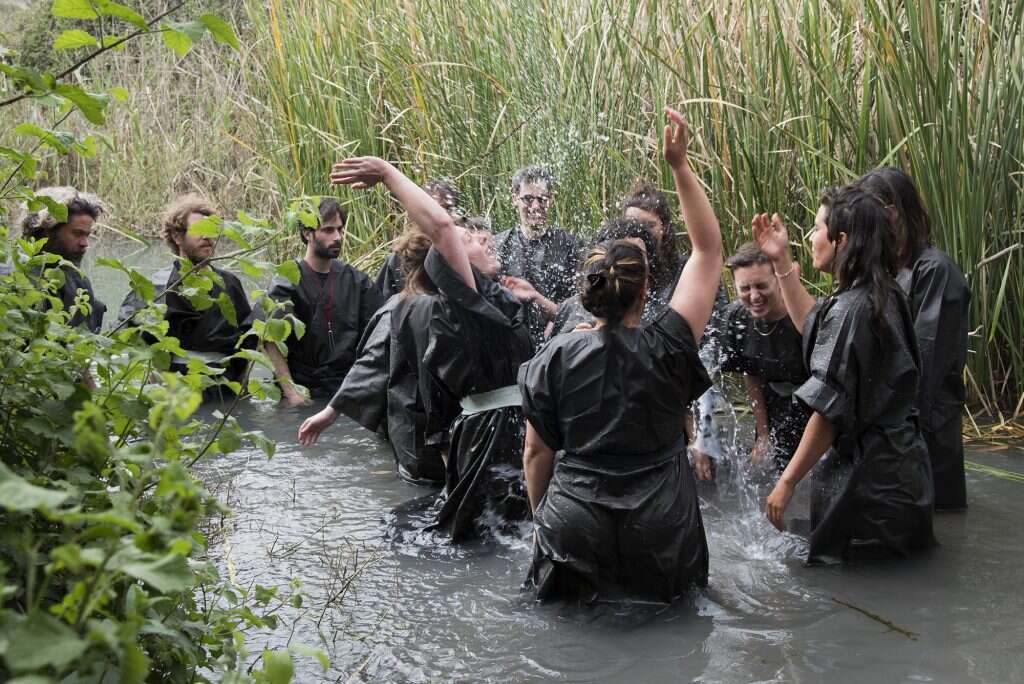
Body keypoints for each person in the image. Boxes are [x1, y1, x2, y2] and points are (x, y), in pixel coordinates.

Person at [518, 108, 721, 603]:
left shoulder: (556, 356)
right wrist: (679, 166)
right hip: (661, 522)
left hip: (575, 517)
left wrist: (547, 517)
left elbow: (535, 453)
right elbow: (708, 251)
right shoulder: (671, 343)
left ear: (586, 291)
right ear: (647, 288)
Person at [307, 157, 534, 541]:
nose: (478, 238)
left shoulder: (493, 298)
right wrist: (386, 173)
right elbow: (442, 226)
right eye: (468, 240)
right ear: (446, 267)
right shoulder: (465, 304)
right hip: (492, 435)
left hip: (494, 433)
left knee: (489, 529)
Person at [754, 185, 936, 564]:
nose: (811, 237)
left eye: (817, 229)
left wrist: (786, 484)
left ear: (842, 240)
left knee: (852, 583)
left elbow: (829, 411)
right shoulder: (882, 294)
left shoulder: (853, 309)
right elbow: (818, 329)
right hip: (901, 477)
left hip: (870, 487)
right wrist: (781, 260)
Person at [299, 218, 498, 486]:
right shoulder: (406, 307)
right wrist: (331, 411)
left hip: (461, 441)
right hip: (423, 442)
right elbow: (371, 364)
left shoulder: (472, 299)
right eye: (467, 240)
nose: (482, 240)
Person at [857, 167, 969, 511]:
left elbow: (924, 364)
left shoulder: (936, 271)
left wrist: (896, 439)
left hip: (926, 436)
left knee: (936, 524)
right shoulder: (889, 272)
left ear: (891, 213)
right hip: (898, 436)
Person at [118, 194, 255, 394]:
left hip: (225, 387)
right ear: (177, 237)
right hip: (176, 388)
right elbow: (130, 335)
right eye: (199, 231)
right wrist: (155, 382)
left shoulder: (231, 284)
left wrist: (242, 386)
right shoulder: (157, 286)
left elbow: (247, 339)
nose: (207, 237)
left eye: (211, 231)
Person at [265, 197, 383, 405]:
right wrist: (291, 391)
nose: (338, 237)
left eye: (340, 229)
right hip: (303, 389)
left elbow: (378, 336)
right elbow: (269, 339)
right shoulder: (286, 281)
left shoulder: (358, 282)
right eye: (328, 230)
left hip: (347, 387)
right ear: (307, 233)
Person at [719, 242, 810, 473]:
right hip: (774, 408)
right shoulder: (736, 318)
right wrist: (763, 435)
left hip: (814, 412)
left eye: (761, 286)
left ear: (779, 281)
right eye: (745, 288)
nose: (754, 296)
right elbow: (752, 374)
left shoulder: (807, 318)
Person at [494, 165, 580, 345]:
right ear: (514, 199)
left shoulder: (570, 245)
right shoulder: (499, 245)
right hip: (511, 343)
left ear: (552, 200)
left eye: (542, 199)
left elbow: (579, 304)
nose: (535, 206)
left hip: (559, 341)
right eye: (528, 199)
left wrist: (555, 319)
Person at [548, 218, 661, 336]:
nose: (633, 263)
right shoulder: (573, 310)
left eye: (639, 255)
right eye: (624, 256)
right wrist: (572, 342)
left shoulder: (660, 310)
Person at [19, 186, 106, 332]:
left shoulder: (79, 281)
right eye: (77, 234)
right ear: (47, 229)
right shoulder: (16, 275)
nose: (85, 243)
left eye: (87, 235)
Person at [376, 179, 463, 300]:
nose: (436, 216)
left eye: (444, 209)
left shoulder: (466, 249)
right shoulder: (399, 258)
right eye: (431, 209)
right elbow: (384, 304)